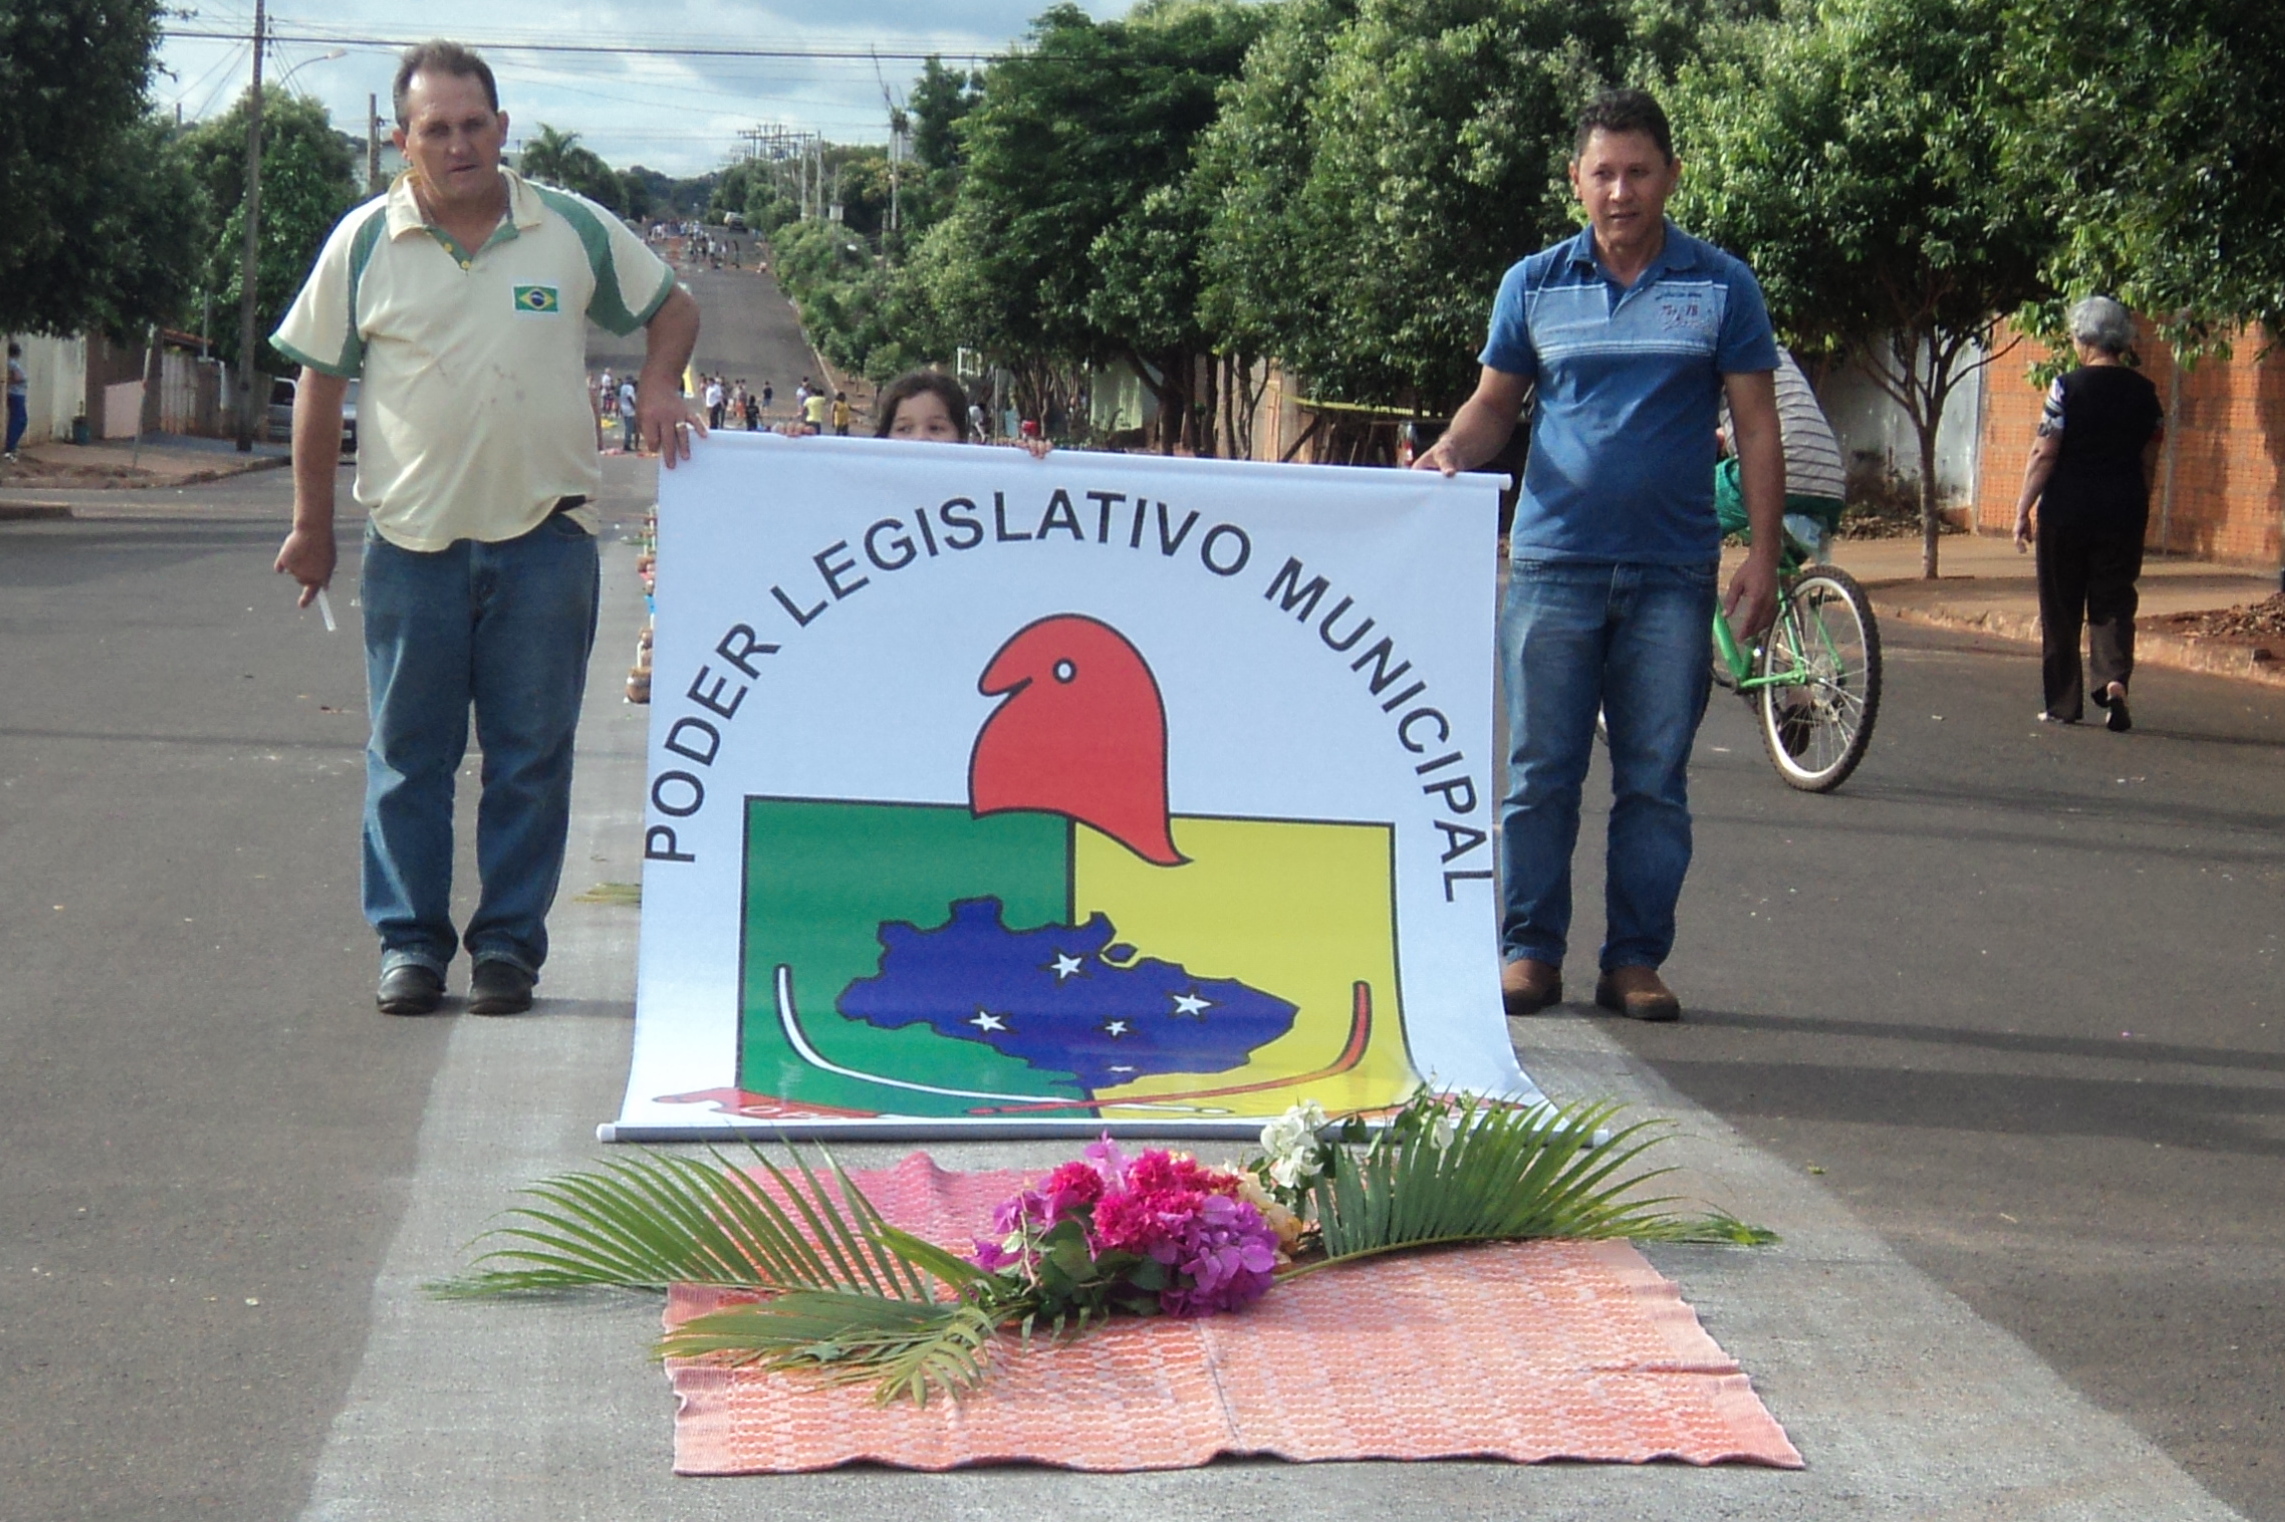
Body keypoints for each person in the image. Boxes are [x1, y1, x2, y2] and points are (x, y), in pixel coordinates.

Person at [270, 40, 703, 1018]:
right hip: (412, 547)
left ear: (502, 129)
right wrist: (311, 524)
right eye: (436, 129)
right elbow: (319, 380)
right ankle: (410, 946)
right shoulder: (364, 242)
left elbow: (671, 305)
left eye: (474, 125)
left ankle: (507, 946)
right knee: (407, 757)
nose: (458, 144)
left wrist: (657, 380)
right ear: (400, 142)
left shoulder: (571, 230)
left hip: (544, 541)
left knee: (530, 755)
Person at [1414, 88, 1783, 1025]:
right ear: (1576, 182)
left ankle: (1633, 962)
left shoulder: (1721, 287)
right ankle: (1528, 951)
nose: (1621, 190)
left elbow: (1754, 420)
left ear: (1669, 177)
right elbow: (1495, 404)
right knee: (1538, 772)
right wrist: (1452, 451)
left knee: (1654, 779)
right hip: (1550, 567)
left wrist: (1763, 556)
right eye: (1603, 172)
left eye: (1639, 171)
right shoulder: (1533, 285)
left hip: (1671, 572)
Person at [2014, 295, 2165, 732]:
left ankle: (2063, 703)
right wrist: (2142, 503)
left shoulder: (2066, 386)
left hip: (2066, 510)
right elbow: (2149, 459)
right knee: (2115, 599)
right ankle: (2114, 681)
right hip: (2123, 509)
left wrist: (2023, 507)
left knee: (2061, 607)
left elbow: (2045, 451)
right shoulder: (2147, 394)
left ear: (2083, 339)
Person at [1717, 345, 1845, 562]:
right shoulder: (1775, 352)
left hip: (1783, 476)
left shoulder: (1717, 353)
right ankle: (1785, 594)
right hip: (1831, 488)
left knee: (1691, 508)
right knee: (1779, 561)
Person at [4, 341, 27, 461]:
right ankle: (10, 447)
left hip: (17, 394)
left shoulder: (10, 363)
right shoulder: (12, 363)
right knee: (19, 420)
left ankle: (11, 445)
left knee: (19, 420)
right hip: (16, 394)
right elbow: (16, 377)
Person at [617, 376, 640, 453]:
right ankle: (627, 444)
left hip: (624, 408)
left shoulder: (623, 387)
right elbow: (629, 397)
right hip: (630, 409)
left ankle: (627, 443)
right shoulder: (630, 388)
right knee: (630, 428)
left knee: (628, 427)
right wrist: (634, 406)